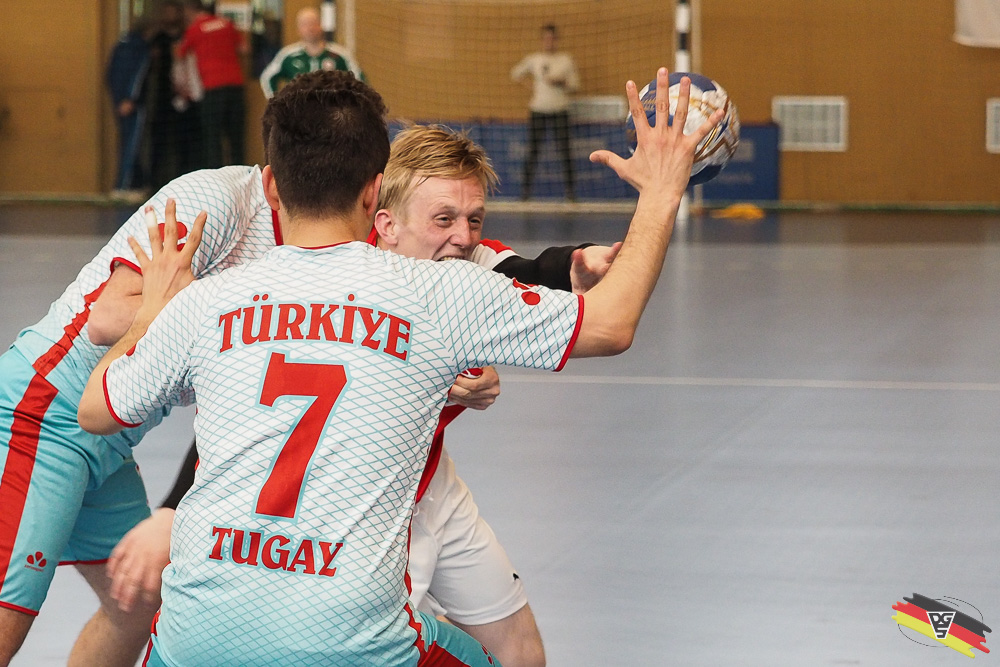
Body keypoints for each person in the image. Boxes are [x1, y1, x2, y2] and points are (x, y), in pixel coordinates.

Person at [77, 66, 722, 665]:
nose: (462, 235)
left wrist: (153, 310)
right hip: (349, 614)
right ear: (375, 197)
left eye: (472, 219)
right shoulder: (438, 294)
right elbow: (610, 324)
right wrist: (663, 189)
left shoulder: (212, 298)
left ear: (271, 186)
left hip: (196, 633)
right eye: (444, 218)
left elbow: (98, 409)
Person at [510, 24, 580, 201]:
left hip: (560, 110)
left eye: (552, 38)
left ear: (557, 40)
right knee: (533, 151)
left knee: (565, 151)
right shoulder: (534, 59)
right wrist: (532, 87)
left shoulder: (565, 60)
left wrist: (561, 82)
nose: (549, 42)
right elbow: (515, 74)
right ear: (542, 40)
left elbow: (575, 85)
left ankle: (571, 193)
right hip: (539, 110)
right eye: (546, 38)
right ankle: (525, 193)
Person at [177, 0, 247, 168]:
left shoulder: (194, 30)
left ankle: (216, 176)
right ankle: (241, 174)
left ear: (189, 11)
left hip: (213, 87)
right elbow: (245, 49)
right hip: (235, 85)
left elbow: (179, 54)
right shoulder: (227, 24)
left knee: (212, 138)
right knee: (236, 136)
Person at [148, 0, 201, 190]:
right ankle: (155, 182)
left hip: (188, 96)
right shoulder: (158, 39)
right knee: (159, 140)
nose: (170, 15)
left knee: (186, 140)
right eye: (166, 11)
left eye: (174, 11)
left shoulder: (188, 35)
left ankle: (186, 182)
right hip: (163, 95)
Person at [259, 6, 364, 99]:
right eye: (305, 24)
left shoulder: (339, 55)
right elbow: (267, 77)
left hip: (331, 111)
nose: (310, 28)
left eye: (313, 23)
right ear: (298, 29)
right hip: (299, 112)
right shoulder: (288, 55)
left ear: (321, 25)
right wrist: (276, 103)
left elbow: (360, 80)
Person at [106, 17, 152, 199]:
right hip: (130, 104)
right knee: (132, 142)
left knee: (129, 141)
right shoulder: (140, 48)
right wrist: (130, 99)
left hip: (119, 102)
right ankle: (122, 186)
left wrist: (117, 99)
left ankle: (137, 183)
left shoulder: (120, 45)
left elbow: (110, 74)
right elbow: (138, 76)